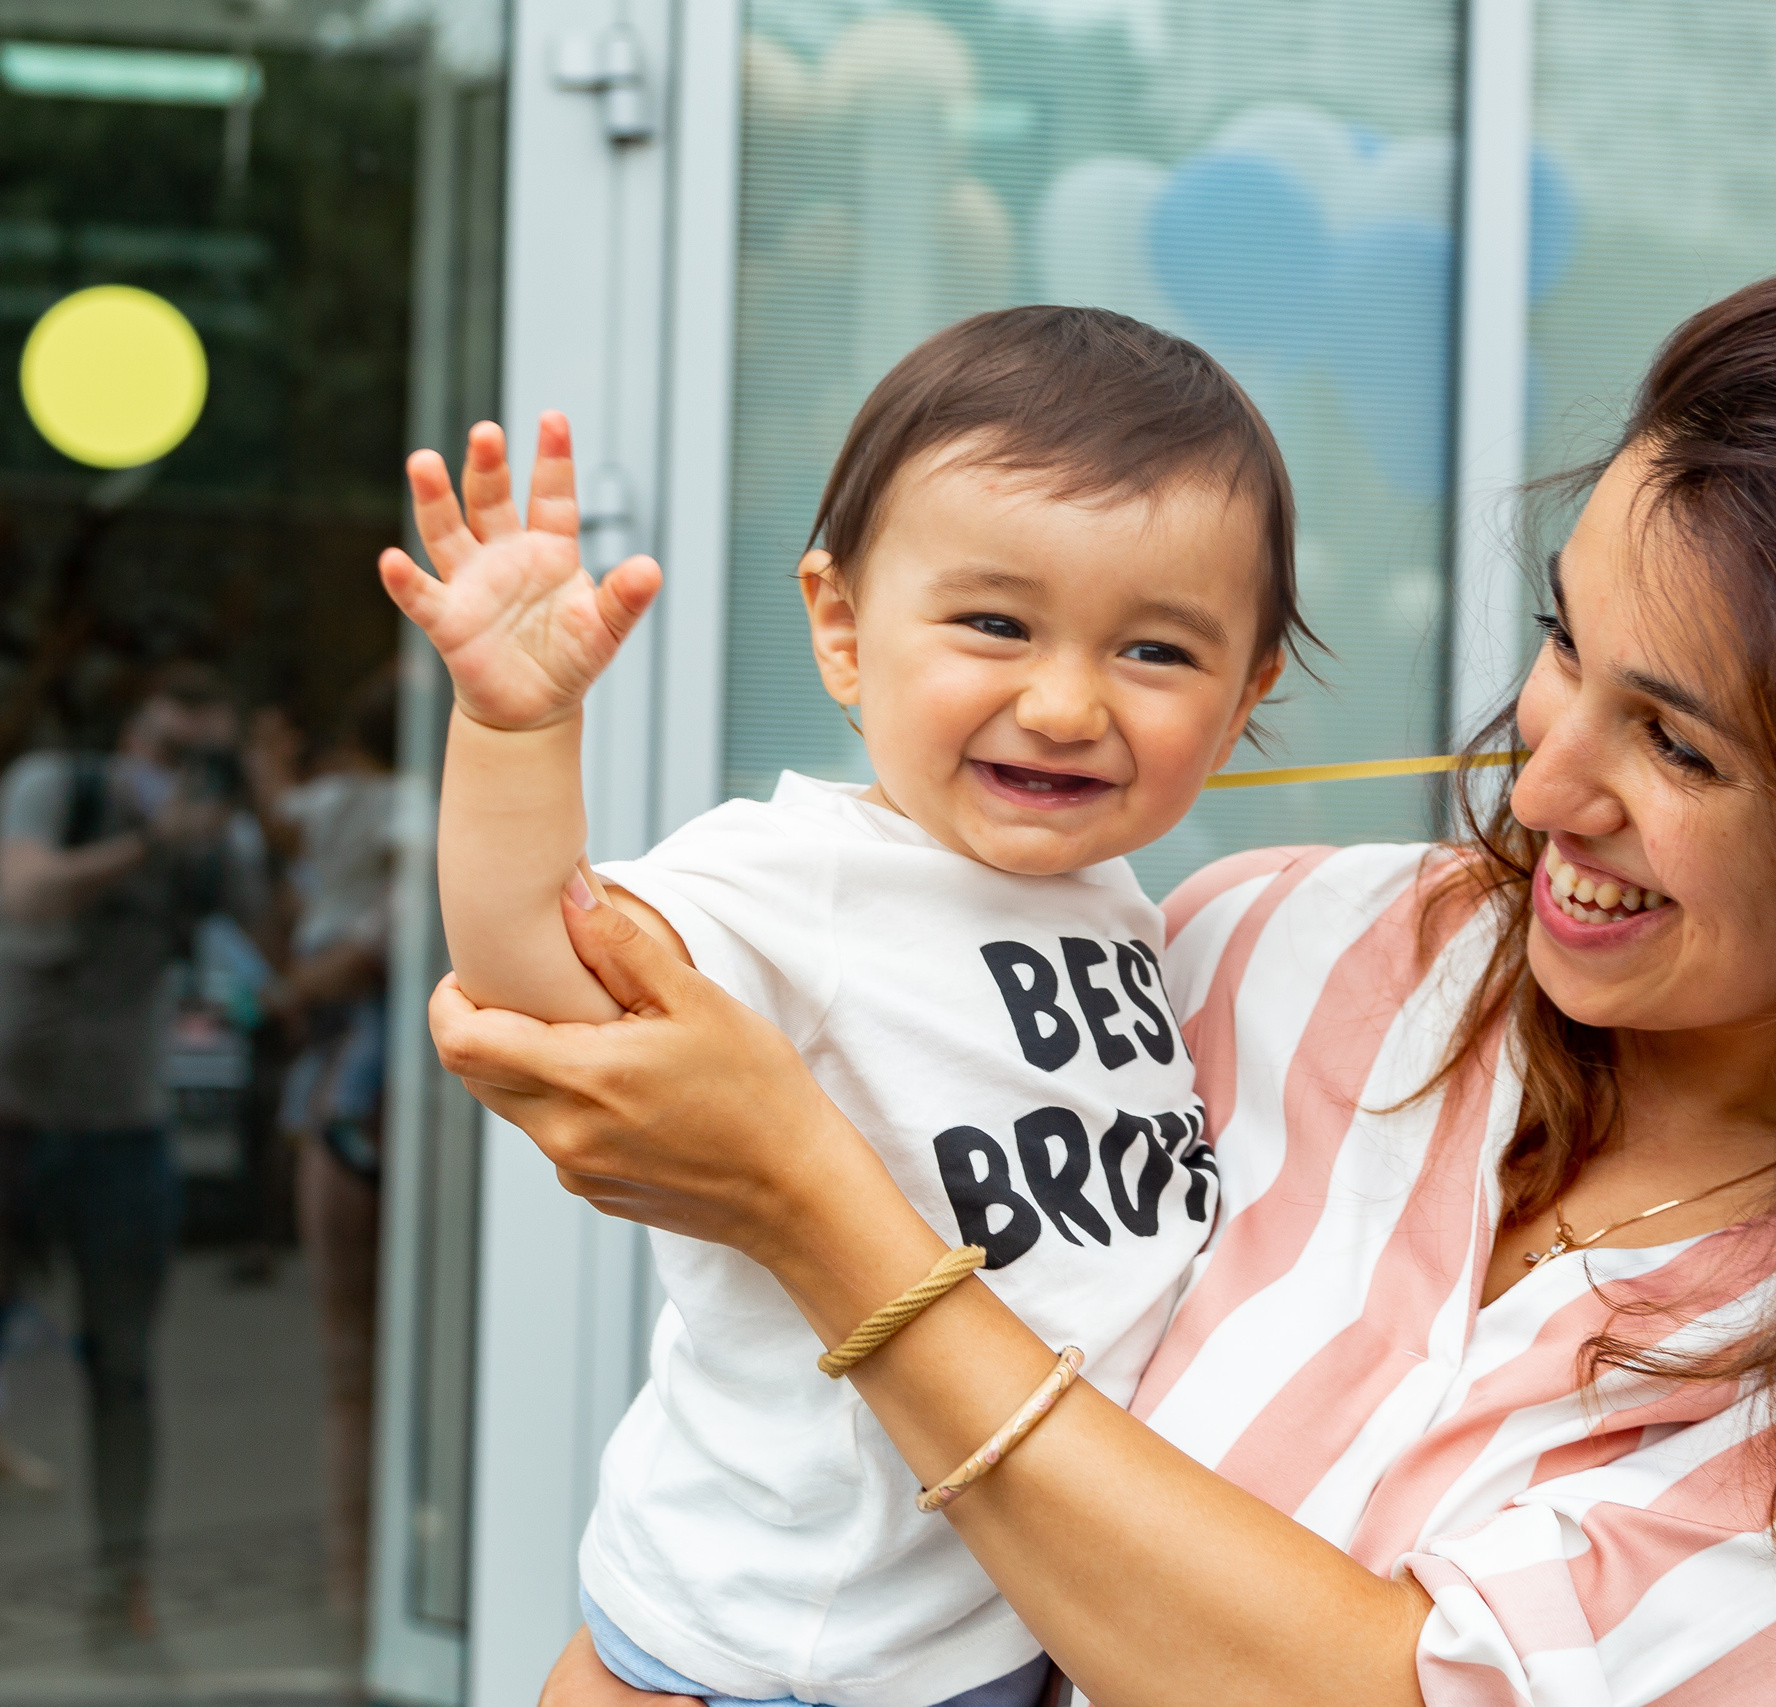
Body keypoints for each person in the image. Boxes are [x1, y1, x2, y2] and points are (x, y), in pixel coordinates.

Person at [433, 262, 1776, 1707]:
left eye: (1681, 745)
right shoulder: (1282, 949)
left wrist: (820, 1216)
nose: (1541, 784)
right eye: (1565, 646)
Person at [381, 309, 1300, 1707]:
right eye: (996, 624)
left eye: (1157, 653)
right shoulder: (799, 876)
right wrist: (516, 731)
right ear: (843, 629)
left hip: (1008, 1617)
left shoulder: (1116, 904)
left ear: (1245, 696)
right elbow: (549, 983)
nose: (1065, 703)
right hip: (785, 1642)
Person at [0, 661, 268, 1637]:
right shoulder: (59, 786)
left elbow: (271, 953)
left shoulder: (212, 844)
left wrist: (258, 824)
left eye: (204, 757)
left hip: (121, 1133)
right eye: (168, 749)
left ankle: (124, 1586)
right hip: (11, 1122)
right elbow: (26, 895)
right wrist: (152, 839)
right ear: (131, 736)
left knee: (122, 1370)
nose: (180, 773)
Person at [253, 672, 405, 1619]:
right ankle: (371, 1583)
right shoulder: (423, 812)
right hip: (381, 1098)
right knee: (379, 1364)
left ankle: (355, 1586)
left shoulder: (339, 800)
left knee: (351, 1367)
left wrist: (266, 757)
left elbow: (279, 820)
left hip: (347, 1092)